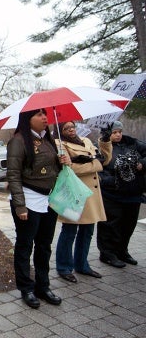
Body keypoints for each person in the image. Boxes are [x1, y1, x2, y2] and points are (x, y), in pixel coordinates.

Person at [7, 108, 71, 309]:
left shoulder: (50, 140)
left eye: (45, 114)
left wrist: (64, 162)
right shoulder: (18, 141)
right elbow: (13, 174)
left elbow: (53, 170)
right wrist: (20, 206)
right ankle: (26, 288)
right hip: (28, 199)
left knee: (44, 245)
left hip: (48, 200)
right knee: (25, 245)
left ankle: (43, 286)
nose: (45, 118)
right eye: (39, 114)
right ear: (28, 119)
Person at [53, 121, 111, 282]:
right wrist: (95, 164)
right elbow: (69, 168)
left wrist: (105, 141)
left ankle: (82, 264)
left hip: (91, 195)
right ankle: (64, 267)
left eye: (72, 127)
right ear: (60, 131)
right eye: (66, 128)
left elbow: (105, 160)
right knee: (69, 231)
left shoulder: (85, 141)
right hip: (75, 193)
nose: (71, 130)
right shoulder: (58, 144)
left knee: (87, 231)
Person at [97, 121, 146, 268]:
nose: (118, 135)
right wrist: (112, 180)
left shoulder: (133, 143)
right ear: (108, 134)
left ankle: (122, 250)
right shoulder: (102, 147)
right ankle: (107, 253)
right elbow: (99, 168)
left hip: (133, 192)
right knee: (110, 225)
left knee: (128, 224)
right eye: (114, 132)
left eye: (119, 131)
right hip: (112, 193)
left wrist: (142, 164)